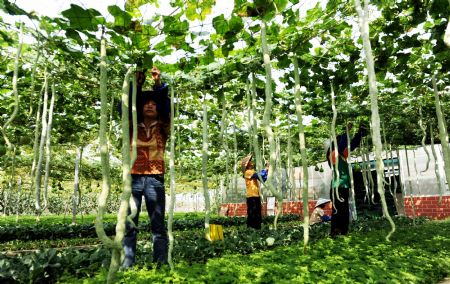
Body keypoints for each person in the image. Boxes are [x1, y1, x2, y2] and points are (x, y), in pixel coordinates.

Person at [122, 66, 170, 269]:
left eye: (153, 103)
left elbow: (167, 107)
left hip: (154, 178)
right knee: (129, 223)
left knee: (157, 225)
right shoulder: (132, 124)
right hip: (133, 178)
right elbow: (125, 106)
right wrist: (137, 84)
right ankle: (128, 264)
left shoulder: (163, 126)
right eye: (146, 103)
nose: (150, 106)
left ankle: (160, 263)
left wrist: (158, 84)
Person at [326, 122, 367, 237]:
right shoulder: (333, 154)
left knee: (343, 211)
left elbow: (352, 145)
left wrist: (359, 134)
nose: (346, 147)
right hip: (337, 187)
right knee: (339, 211)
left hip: (343, 187)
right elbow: (343, 144)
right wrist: (346, 132)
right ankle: (335, 232)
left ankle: (343, 231)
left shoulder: (343, 156)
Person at [241, 155, 268, 229]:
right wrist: (265, 169)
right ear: (247, 164)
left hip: (256, 195)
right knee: (252, 214)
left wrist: (267, 170)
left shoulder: (252, 171)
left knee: (257, 213)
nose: (252, 162)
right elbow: (259, 175)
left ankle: (257, 229)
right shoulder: (247, 172)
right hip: (251, 196)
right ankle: (251, 229)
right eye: (250, 161)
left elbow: (263, 178)